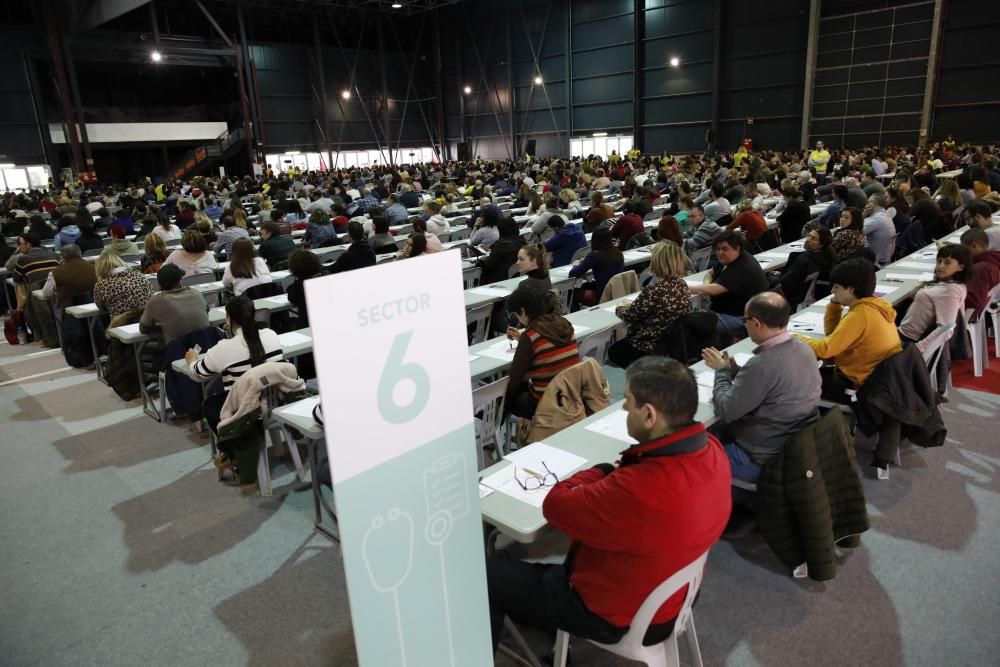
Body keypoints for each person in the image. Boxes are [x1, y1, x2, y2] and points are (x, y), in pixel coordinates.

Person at [486, 355, 731, 656]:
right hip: (676, 594)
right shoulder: (712, 451)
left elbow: (555, 504)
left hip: (615, 613)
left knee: (491, 572)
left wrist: (602, 469)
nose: (624, 407)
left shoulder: (638, 489)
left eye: (628, 401)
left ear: (650, 416)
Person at [701, 292, 821, 504]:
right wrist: (734, 370)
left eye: (745, 320)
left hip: (758, 455)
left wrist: (721, 372)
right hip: (791, 443)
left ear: (756, 323)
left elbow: (726, 410)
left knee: (688, 457)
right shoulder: (803, 348)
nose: (744, 325)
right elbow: (770, 385)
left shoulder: (763, 364)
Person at [796, 257, 902, 401]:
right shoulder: (874, 306)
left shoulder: (860, 315)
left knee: (795, 380)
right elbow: (832, 335)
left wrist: (794, 337)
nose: (832, 290)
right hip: (876, 379)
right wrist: (834, 304)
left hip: (859, 387)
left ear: (851, 290)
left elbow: (825, 350)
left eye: (837, 287)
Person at [185, 296, 283, 434]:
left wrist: (191, 360)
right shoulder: (271, 335)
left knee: (209, 404)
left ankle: (229, 447)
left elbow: (198, 373)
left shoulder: (224, 347)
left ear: (229, 319)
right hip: (275, 401)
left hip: (243, 409)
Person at [608, 241, 693, 368]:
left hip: (646, 346)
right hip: (671, 344)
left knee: (613, 351)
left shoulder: (653, 290)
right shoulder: (682, 285)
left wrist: (620, 306)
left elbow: (630, 316)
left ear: (656, 262)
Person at [502, 281, 579, 419]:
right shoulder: (563, 323)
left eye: (517, 315)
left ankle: (490, 427)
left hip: (546, 403)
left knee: (508, 395)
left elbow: (514, 379)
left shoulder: (530, 336)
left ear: (523, 311)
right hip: (570, 394)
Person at [689, 231, 769, 337]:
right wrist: (706, 285)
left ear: (737, 248)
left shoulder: (741, 267)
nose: (720, 252)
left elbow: (714, 290)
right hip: (728, 310)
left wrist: (682, 287)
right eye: (717, 249)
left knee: (692, 324)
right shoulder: (729, 259)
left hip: (741, 317)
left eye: (725, 249)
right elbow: (710, 273)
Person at [139, 263, 209, 344]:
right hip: (206, 345)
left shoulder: (155, 301)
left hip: (179, 351)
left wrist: (164, 325)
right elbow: (206, 311)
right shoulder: (196, 293)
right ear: (180, 281)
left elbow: (143, 328)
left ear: (159, 284)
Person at [771, 227, 835, 310]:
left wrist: (774, 278)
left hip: (789, 297)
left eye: (813, 239)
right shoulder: (826, 258)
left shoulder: (804, 260)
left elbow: (786, 284)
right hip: (802, 294)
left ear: (821, 245)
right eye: (809, 236)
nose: (808, 239)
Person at [569, 227, 625, 304]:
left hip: (604, 294)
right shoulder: (618, 252)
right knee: (585, 285)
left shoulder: (595, 255)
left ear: (594, 240)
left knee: (571, 293)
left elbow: (573, 274)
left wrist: (576, 265)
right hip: (618, 291)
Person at [93, 252, 154, 318]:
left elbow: (101, 307)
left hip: (123, 322)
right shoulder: (140, 276)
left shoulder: (102, 285)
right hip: (150, 319)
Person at [960, 228, 1000, 316]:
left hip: (967, 317)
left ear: (974, 246)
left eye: (963, 249)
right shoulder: (994, 258)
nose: (962, 253)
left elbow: (974, 301)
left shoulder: (980, 269)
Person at [476, 217, 524, 284]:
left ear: (501, 231)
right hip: (518, 278)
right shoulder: (523, 242)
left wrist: (483, 259)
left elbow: (488, 265)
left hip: (500, 280)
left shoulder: (502, 245)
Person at [286, 249, 322, 327]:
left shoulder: (299, 286)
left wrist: (297, 279)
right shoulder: (326, 277)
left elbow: (291, 297)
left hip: (308, 325)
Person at [863, 193, 896, 265]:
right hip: (885, 255)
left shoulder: (876, 219)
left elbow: (856, 230)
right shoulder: (886, 214)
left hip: (875, 259)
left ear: (873, 203)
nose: (866, 205)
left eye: (868, 202)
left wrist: (863, 215)